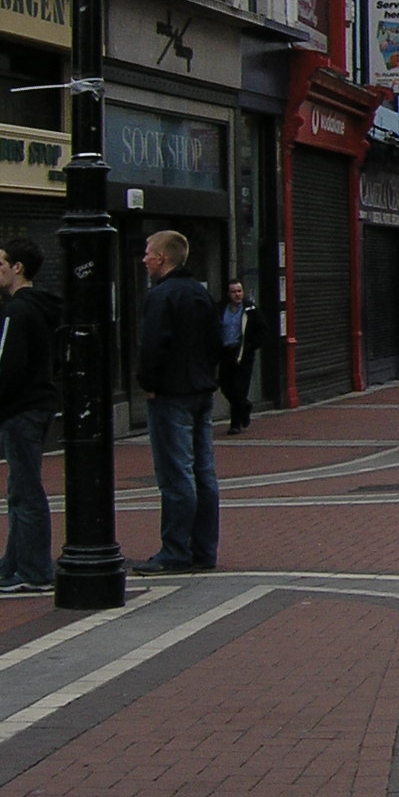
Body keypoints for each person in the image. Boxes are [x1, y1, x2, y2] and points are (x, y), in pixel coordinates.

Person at [134, 229, 220, 575]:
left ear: (162, 258)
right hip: (201, 389)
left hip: (172, 393)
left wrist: (149, 383)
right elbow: (216, 342)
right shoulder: (200, 294)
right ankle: (204, 549)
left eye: (148, 253)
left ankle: (175, 550)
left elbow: (153, 345)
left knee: (175, 473)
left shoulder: (161, 296)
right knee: (203, 471)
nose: (144, 259)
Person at [0, 239, 60, 592]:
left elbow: (6, 365)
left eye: (1, 264)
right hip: (38, 404)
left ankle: (34, 570)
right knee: (19, 488)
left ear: (18, 269)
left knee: (26, 491)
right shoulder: (43, 308)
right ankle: (13, 562)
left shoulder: (18, 311)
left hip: (20, 409)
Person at [217, 278, 265, 435]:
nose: (237, 295)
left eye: (239, 291)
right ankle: (245, 406)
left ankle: (235, 424)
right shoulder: (221, 309)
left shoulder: (250, 309)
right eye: (233, 292)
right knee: (224, 385)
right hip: (226, 352)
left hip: (243, 354)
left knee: (239, 388)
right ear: (228, 294)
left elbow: (263, 331)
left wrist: (250, 346)